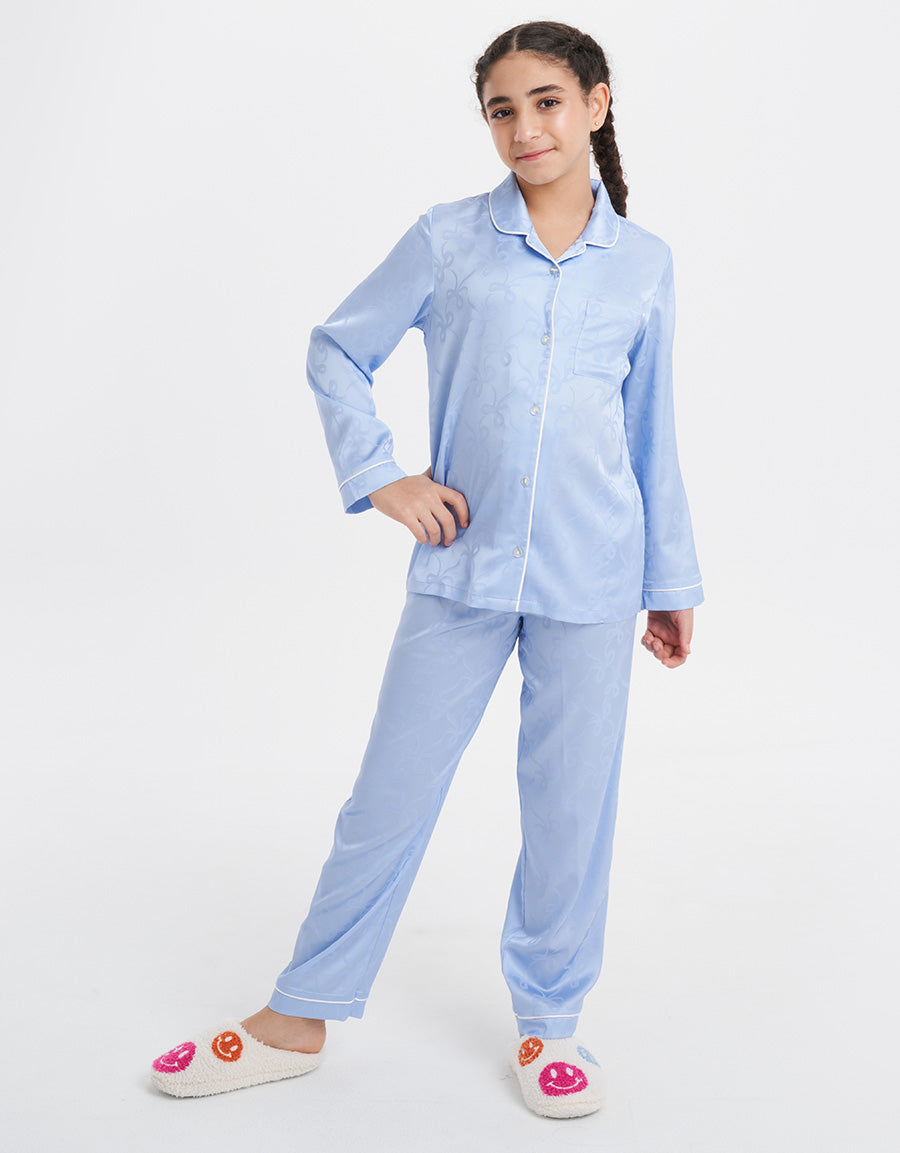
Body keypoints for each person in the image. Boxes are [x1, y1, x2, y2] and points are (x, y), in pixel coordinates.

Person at [150, 20, 703, 1119]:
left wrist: (671, 581)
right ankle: (301, 1012)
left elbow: (652, 431)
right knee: (387, 798)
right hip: (464, 570)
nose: (525, 128)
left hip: (595, 578)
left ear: (596, 103)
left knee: (570, 810)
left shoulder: (644, 264)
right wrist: (384, 478)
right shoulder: (449, 240)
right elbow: (336, 349)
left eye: (546, 101)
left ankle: (551, 1021)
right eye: (502, 109)